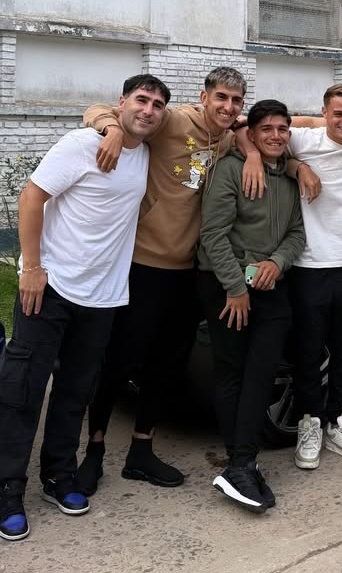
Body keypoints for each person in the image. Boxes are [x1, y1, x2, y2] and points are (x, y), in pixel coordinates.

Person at [0, 74, 170, 542]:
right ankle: (8, 488)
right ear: (122, 103)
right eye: (141, 100)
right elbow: (32, 196)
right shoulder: (82, 144)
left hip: (103, 297)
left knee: (75, 393)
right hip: (50, 288)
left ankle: (59, 475)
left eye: (157, 104)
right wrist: (31, 267)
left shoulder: (146, 155)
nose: (149, 110)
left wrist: (113, 128)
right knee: (22, 390)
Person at [76, 66, 247, 494]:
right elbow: (97, 109)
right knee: (119, 360)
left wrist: (259, 151)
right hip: (143, 264)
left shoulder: (228, 138)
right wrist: (112, 129)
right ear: (204, 97)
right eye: (221, 97)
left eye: (236, 101)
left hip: (187, 271)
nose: (228, 107)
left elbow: (291, 124)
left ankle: (141, 451)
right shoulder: (172, 121)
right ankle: (93, 450)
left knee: (166, 365)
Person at [197, 100, 305, 514]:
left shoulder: (289, 177)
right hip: (226, 286)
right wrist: (235, 286)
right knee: (233, 372)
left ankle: (242, 463)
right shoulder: (230, 169)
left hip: (270, 285)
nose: (276, 135)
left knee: (261, 373)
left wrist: (277, 263)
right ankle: (240, 463)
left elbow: (296, 233)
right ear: (253, 134)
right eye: (267, 129)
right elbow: (213, 234)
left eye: (282, 129)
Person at [283, 84, 342, 469]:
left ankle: (341, 421)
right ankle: (310, 424)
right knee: (307, 353)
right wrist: (298, 166)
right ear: (325, 113)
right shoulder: (303, 141)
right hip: (307, 266)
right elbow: (250, 132)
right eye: (338, 114)